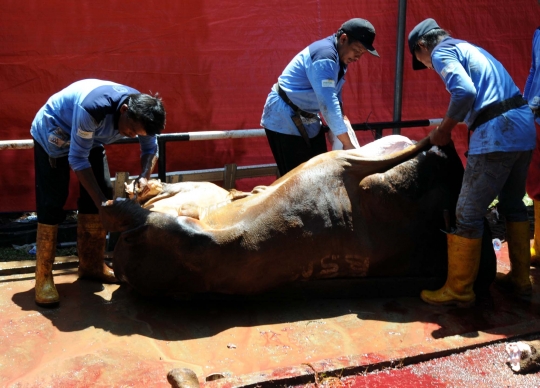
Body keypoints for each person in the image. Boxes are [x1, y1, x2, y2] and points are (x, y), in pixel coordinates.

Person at [408, 18, 536, 307]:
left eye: (422, 61)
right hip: (522, 127)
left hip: (497, 133)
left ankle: (459, 289)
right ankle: (520, 280)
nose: (429, 67)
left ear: (421, 47)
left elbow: (464, 91)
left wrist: (444, 129)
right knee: (513, 204)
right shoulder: (469, 48)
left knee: (466, 213)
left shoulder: (441, 52)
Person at [31, 79, 166, 307]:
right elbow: (77, 158)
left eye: (138, 133)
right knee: (53, 201)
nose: (133, 136)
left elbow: (151, 148)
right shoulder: (93, 109)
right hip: (54, 132)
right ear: (124, 110)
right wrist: (104, 207)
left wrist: (144, 175)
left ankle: (91, 266)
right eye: (131, 131)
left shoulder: (144, 111)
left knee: (102, 189)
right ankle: (43, 275)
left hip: (89, 139)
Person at [261, 18, 379, 177]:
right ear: (343, 39)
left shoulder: (341, 60)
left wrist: (342, 123)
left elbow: (336, 97)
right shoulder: (325, 56)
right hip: (283, 114)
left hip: (308, 117)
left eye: (362, 54)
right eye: (357, 50)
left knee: (319, 174)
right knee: (296, 181)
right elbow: (328, 104)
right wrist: (348, 144)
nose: (358, 57)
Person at [523, 22, 540, 267]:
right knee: (536, 183)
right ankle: (538, 243)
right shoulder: (538, 32)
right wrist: (524, 103)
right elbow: (534, 70)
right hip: (536, 116)